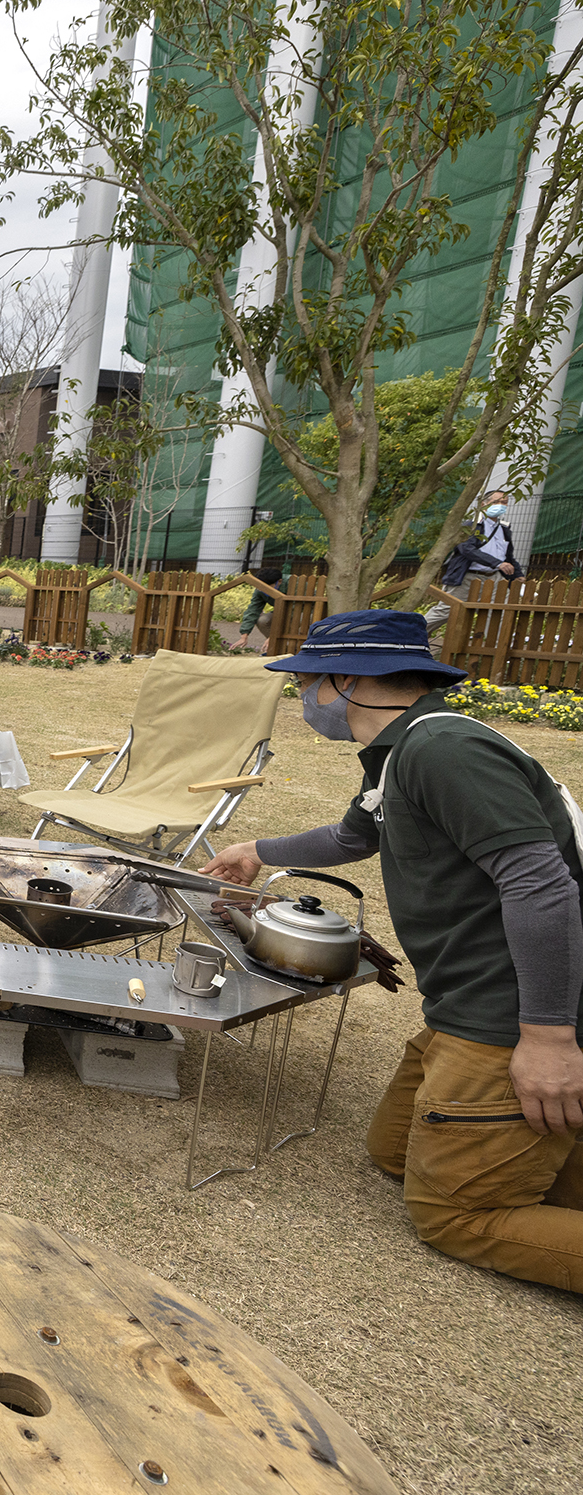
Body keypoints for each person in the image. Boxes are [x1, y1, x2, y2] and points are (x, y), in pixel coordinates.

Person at [203, 609, 583, 1292]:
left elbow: (539, 883)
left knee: (455, 1215)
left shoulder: (444, 751)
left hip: (510, 1011)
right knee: (391, 1151)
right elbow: (354, 838)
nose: (301, 699)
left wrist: (548, 1037)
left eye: (305, 683)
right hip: (461, 1005)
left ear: (345, 680)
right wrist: (254, 852)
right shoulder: (398, 750)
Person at [425, 495, 526, 632]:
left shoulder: (504, 529)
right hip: (468, 576)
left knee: (501, 611)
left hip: (494, 577)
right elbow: (466, 549)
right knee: (446, 610)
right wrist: (497, 563)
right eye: (496, 501)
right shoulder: (470, 525)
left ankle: (495, 647)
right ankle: (411, 636)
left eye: (504, 502)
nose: (500, 505)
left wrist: (517, 574)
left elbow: (507, 556)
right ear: (483, 503)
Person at [236, 563, 286, 653]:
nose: (263, 590)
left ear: (279, 582)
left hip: (305, 611)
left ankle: (293, 646)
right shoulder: (260, 590)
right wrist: (244, 635)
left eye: (267, 588)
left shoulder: (294, 584)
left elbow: (292, 612)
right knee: (263, 620)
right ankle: (279, 646)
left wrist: (273, 635)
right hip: (281, 610)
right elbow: (253, 610)